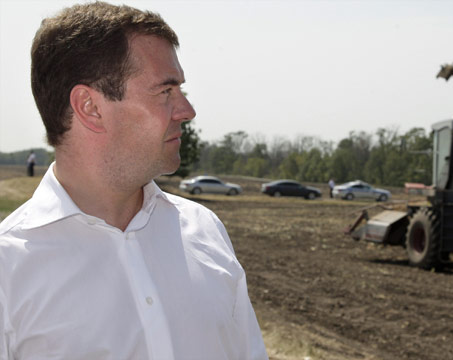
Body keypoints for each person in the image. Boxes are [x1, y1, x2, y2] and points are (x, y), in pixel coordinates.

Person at [0, 2, 267, 359]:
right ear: (90, 107)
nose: (187, 111)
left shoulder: (205, 231)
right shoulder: (9, 270)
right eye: (165, 91)